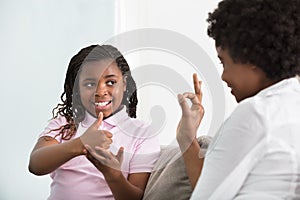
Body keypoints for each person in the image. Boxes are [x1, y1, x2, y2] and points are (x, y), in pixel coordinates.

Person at [176, 0, 300, 199]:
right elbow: (216, 186)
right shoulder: (291, 104)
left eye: (224, 62)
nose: (224, 77)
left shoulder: (256, 114)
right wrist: (187, 138)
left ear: (249, 57)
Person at [28, 44, 160, 200]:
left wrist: (113, 175)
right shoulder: (65, 124)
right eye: (90, 84)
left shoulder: (141, 133)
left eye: (110, 82)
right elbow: (35, 165)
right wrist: (81, 143)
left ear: (124, 84)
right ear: (77, 88)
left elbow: (136, 197)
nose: (100, 92)